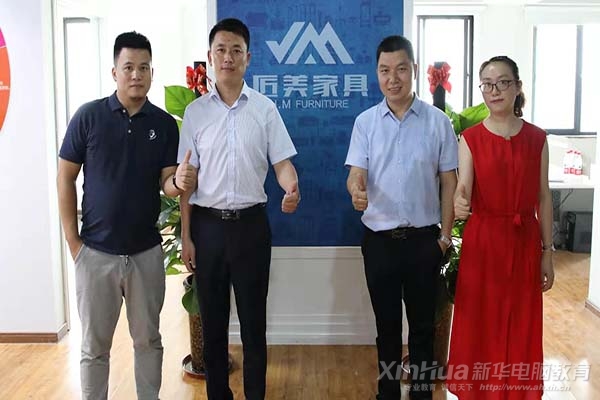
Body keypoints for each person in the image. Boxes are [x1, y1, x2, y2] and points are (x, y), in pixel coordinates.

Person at [57, 31, 197, 400]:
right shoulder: (89, 117)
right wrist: (74, 243)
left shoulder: (163, 124)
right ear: (114, 72)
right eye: (129, 67)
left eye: (144, 67)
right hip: (95, 254)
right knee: (94, 347)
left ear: (152, 72)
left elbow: (167, 183)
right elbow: (65, 176)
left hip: (145, 254)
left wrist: (179, 182)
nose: (136, 74)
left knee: (148, 340)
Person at [178, 18, 300, 400]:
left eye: (236, 50)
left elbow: (282, 163)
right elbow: (186, 180)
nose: (228, 58)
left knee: (253, 326)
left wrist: (291, 186)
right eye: (221, 50)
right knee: (213, 328)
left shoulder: (264, 109)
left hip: (251, 228)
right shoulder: (196, 114)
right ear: (210, 57)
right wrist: (186, 236)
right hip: (208, 229)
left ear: (248, 58)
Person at [345, 35, 458, 400]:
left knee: (423, 328)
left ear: (414, 70)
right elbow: (356, 173)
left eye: (400, 70)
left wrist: (445, 237)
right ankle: (388, 393)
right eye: (384, 71)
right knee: (387, 329)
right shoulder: (365, 123)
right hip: (379, 242)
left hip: (424, 243)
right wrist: (356, 188)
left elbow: (449, 182)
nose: (392, 79)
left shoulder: (438, 123)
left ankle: (422, 394)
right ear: (377, 73)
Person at [447, 56, 554, 400]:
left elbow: (544, 197)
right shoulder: (471, 138)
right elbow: (463, 187)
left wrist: (548, 252)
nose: (495, 91)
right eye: (488, 84)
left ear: (517, 87)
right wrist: (459, 201)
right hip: (484, 243)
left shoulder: (537, 139)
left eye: (503, 82)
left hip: (524, 242)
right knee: (482, 322)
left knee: (521, 322)